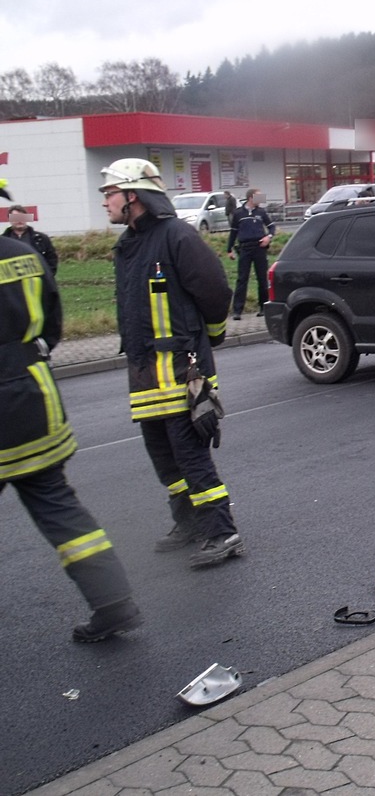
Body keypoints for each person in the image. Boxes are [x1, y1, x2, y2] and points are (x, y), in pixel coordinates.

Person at [1, 183, 142, 641]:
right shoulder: (23, 254)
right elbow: (53, 324)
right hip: (34, 399)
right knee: (59, 507)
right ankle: (114, 602)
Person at [99, 158, 245, 568]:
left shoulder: (177, 236)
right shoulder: (128, 244)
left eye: (109, 194)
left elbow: (215, 292)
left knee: (191, 456)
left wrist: (211, 336)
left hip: (184, 374)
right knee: (164, 458)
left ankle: (223, 531)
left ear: (133, 196)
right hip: (145, 376)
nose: (105, 202)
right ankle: (189, 523)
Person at [226, 188, 276, 320]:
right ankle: (237, 310)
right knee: (242, 279)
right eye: (259, 197)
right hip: (245, 248)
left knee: (262, 278)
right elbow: (233, 232)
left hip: (259, 247)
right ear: (250, 198)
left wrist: (268, 237)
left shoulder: (261, 212)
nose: (261, 199)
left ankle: (263, 307)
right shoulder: (238, 213)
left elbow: (271, 226)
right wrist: (229, 249)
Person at [2, 202, 59, 275]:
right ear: (9, 220)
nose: (19, 220)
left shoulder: (41, 239)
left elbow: (51, 259)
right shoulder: (3, 241)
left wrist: (48, 276)